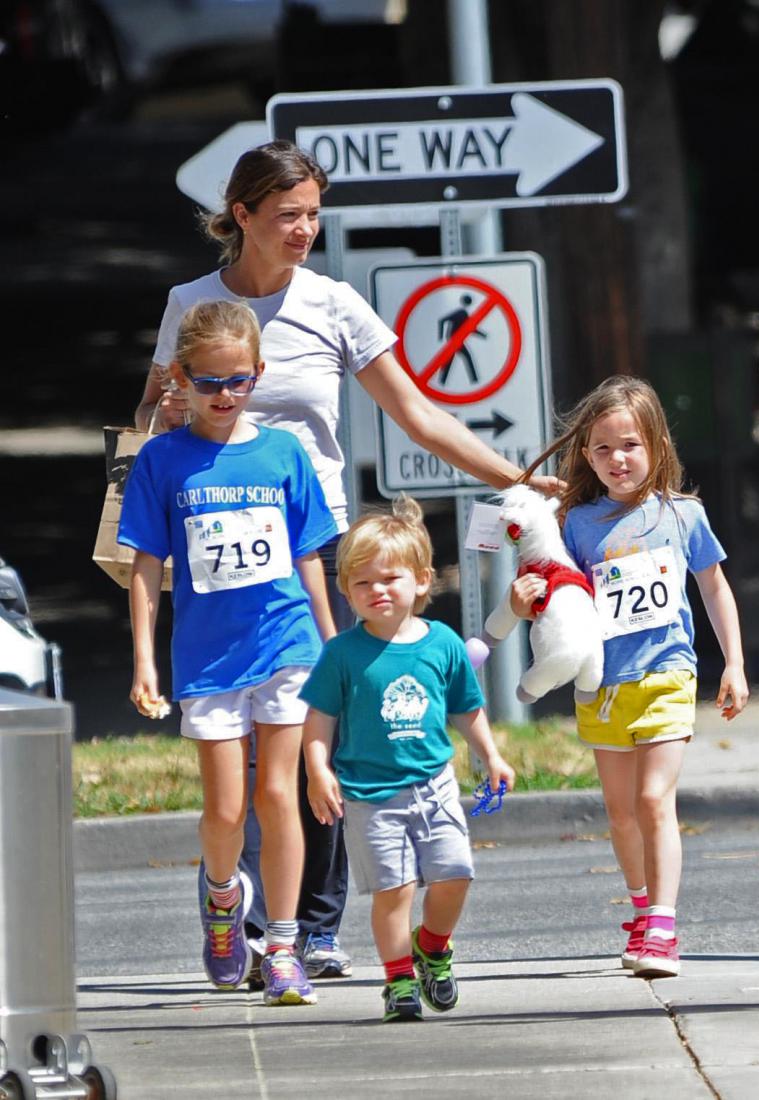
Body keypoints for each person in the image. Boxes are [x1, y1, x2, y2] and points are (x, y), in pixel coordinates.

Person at [134, 140, 556, 981]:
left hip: (316, 548)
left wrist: (520, 476)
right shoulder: (192, 303)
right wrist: (169, 407)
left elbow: (418, 413)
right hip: (217, 543)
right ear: (243, 215)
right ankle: (237, 915)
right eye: (288, 215)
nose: (304, 231)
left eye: (313, 216)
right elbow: (145, 425)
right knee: (238, 766)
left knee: (317, 732)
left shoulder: (333, 303)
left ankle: (308, 929)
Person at [119, 300, 336, 1006]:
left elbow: (308, 559)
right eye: (208, 382)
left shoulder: (282, 453)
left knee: (280, 797)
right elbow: (147, 564)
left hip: (287, 644)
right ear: (181, 377)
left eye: (237, 380)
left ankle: (281, 944)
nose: (223, 395)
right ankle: (221, 904)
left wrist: (334, 648)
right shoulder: (162, 459)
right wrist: (146, 661)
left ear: (258, 375)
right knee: (225, 811)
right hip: (209, 660)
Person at [517, 376, 749, 979]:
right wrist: (524, 603)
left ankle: (665, 928)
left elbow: (715, 587)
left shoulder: (683, 515)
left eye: (631, 445)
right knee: (620, 813)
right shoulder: (575, 523)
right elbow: (553, 595)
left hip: (668, 674)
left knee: (653, 800)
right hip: (602, 684)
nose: (618, 459)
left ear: (656, 445)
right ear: (587, 456)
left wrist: (735, 663)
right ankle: (643, 909)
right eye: (603, 449)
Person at [299, 497, 515, 1022]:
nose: (377, 591)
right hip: (371, 795)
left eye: (389, 578)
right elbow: (319, 721)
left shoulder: (441, 643)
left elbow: (466, 708)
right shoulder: (342, 654)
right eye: (362, 582)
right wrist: (317, 771)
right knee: (392, 893)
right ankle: (398, 981)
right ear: (347, 591)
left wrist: (490, 754)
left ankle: (433, 947)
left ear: (421, 581)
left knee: (455, 874)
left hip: (434, 785)